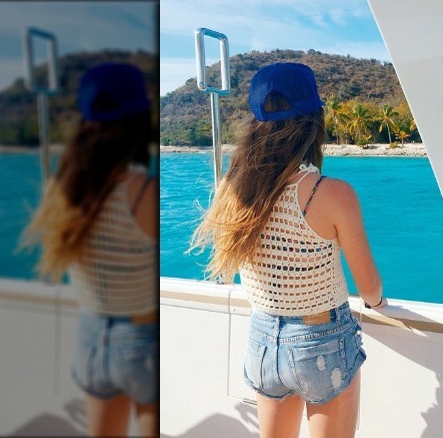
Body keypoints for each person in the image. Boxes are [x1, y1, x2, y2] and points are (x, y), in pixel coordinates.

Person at [191, 62, 386, 437]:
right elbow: (369, 289)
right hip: (322, 343)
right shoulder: (330, 194)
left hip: (264, 341)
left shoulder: (233, 192)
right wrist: (378, 304)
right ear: (315, 119)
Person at [21, 63, 158, 436]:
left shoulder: (65, 191)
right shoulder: (142, 192)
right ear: (137, 122)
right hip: (141, 342)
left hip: (91, 335)